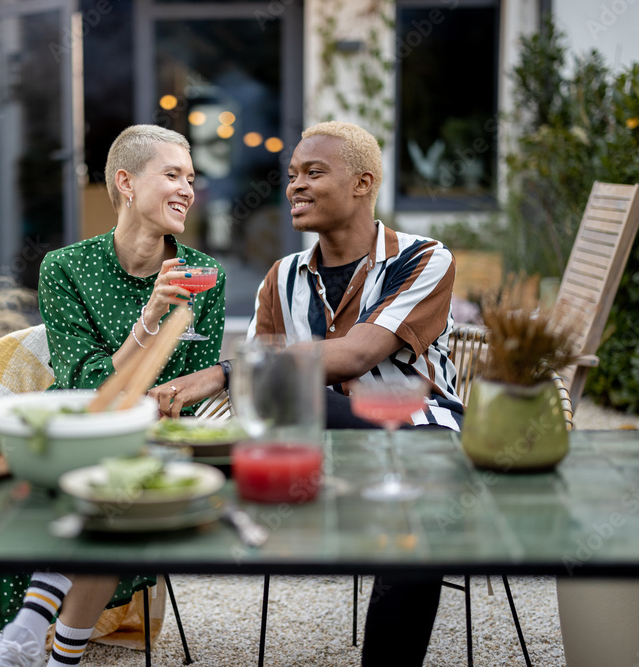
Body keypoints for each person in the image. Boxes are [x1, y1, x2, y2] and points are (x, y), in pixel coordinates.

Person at [154, 120, 460, 665]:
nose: (295, 185)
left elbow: (357, 354)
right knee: (196, 452)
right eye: (292, 174)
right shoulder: (282, 276)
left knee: (412, 502)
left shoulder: (423, 258)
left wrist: (227, 372)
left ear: (363, 183)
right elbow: (258, 387)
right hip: (314, 446)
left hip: (418, 437)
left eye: (313, 173)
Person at [0, 124, 226, 667]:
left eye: (192, 178)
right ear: (126, 182)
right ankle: (60, 652)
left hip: (155, 440)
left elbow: (195, 388)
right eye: (173, 175)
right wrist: (151, 320)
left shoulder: (207, 274)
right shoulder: (65, 269)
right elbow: (88, 382)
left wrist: (163, 400)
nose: (187, 189)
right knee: (105, 471)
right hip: (76, 428)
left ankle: (41, 637)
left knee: (118, 477)